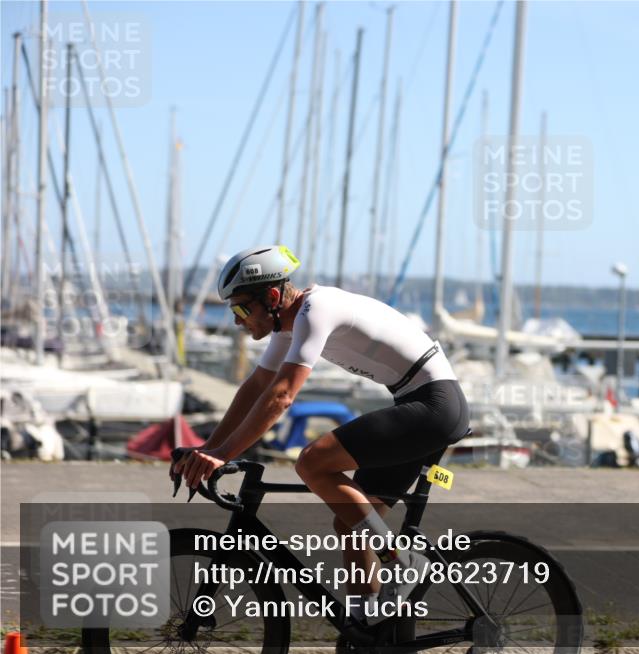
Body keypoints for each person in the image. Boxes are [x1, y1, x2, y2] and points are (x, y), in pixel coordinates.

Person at [172, 245, 469, 621]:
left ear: (273, 297)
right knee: (350, 522)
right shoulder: (288, 324)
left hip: (436, 406)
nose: (236, 321)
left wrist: (222, 456)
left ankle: (401, 561)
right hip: (418, 403)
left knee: (312, 462)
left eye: (242, 308)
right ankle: (368, 630)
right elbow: (256, 387)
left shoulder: (316, 310)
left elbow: (280, 397)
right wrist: (209, 448)